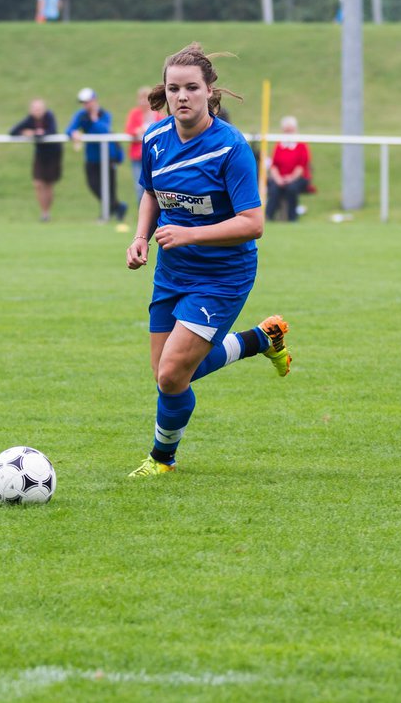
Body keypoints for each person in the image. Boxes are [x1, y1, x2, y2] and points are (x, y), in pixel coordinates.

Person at [124, 43, 293, 478]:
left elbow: (254, 223)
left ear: (209, 91)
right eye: (173, 88)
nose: (182, 96)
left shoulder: (230, 148)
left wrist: (189, 234)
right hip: (173, 271)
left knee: (171, 376)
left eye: (192, 88)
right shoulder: (155, 138)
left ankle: (162, 459)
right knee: (169, 374)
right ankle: (259, 339)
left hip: (222, 275)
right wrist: (141, 237)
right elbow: (150, 192)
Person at [67, 87, 126, 222]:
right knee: (93, 185)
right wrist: (73, 133)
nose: (85, 105)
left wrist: (94, 119)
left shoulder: (104, 114)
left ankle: (107, 213)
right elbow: (69, 129)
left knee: (110, 188)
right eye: (83, 102)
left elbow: (103, 131)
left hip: (108, 156)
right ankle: (118, 207)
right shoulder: (81, 115)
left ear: (94, 100)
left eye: (87, 101)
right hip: (92, 158)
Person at [9, 98, 62, 222]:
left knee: (48, 184)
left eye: (39, 109)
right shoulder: (30, 119)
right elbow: (12, 131)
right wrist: (29, 132)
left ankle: (47, 212)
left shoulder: (49, 116)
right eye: (34, 109)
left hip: (53, 153)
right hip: (40, 154)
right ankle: (44, 213)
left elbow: (51, 131)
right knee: (38, 183)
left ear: (44, 109)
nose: (37, 111)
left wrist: (34, 133)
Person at [266, 115, 313, 222]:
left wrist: (290, 178)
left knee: (291, 188)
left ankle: (292, 218)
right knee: (274, 188)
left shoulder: (301, 145)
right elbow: (274, 166)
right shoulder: (279, 145)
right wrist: (278, 179)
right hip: (281, 178)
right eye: (286, 131)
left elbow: (301, 166)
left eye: (290, 131)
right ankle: (269, 217)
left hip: (298, 178)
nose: (288, 134)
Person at [123, 86, 164, 204]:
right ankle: (142, 216)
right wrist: (137, 131)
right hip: (138, 156)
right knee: (139, 186)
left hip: (154, 156)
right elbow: (129, 130)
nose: (143, 102)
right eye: (141, 98)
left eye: (145, 98)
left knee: (156, 186)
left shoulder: (158, 116)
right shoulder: (135, 114)